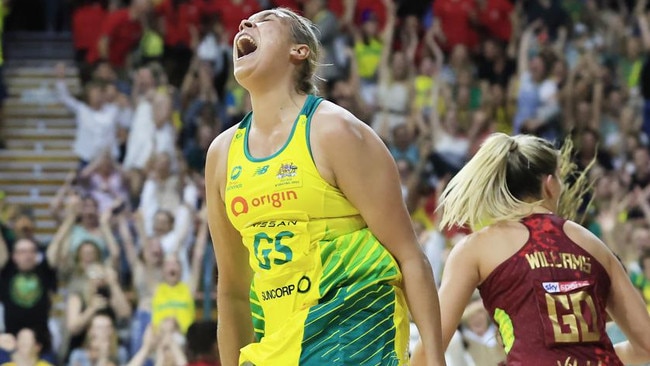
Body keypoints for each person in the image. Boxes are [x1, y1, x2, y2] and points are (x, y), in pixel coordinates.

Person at [204, 7, 445, 366]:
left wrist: (435, 357)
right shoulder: (222, 154)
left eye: (266, 19)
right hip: (278, 340)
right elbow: (234, 291)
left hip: (354, 329)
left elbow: (409, 255)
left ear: (298, 52)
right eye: (246, 20)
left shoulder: (335, 130)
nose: (245, 23)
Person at [412, 133, 650, 365]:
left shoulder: (477, 247)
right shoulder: (592, 243)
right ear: (549, 185)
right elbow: (646, 345)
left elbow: (429, 350)